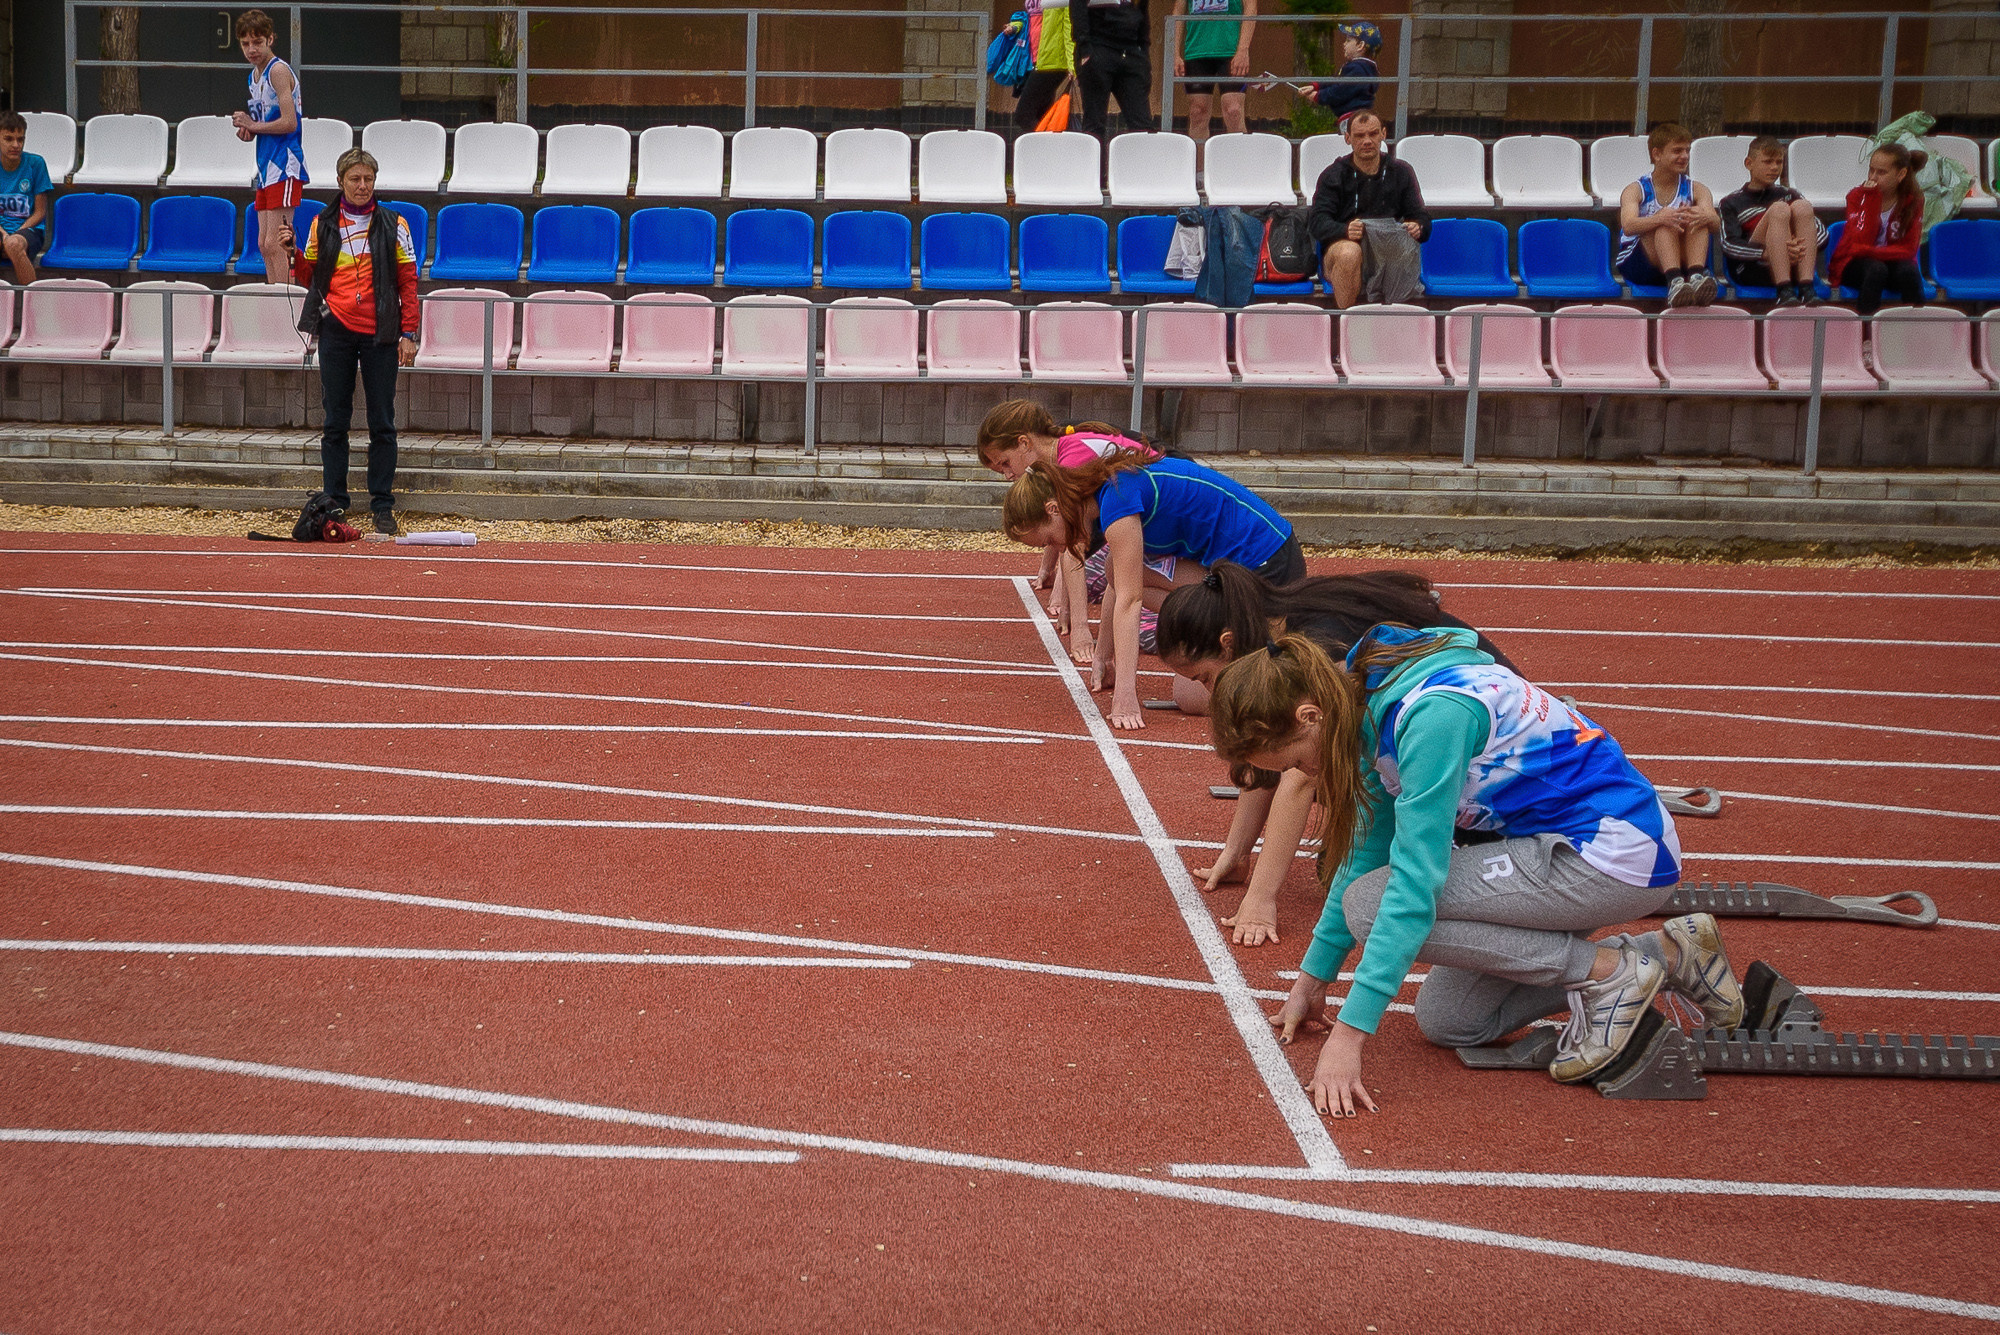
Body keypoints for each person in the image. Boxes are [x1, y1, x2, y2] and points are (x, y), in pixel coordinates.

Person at [1207, 628, 1743, 1115]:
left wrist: (1349, 1036)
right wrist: (1313, 979)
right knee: (1452, 1020)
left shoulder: (1430, 719)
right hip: (1568, 850)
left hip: (1612, 853)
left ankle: (1612, 974)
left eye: (1295, 761)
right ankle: (1669, 955)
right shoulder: (1363, 710)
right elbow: (1366, 851)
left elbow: (1415, 882)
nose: (1304, 775)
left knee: (1371, 906)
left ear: (1309, 716)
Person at [1156, 561, 1516, 946]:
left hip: (1488, 750)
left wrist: (1260, 898)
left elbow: (1297, 778)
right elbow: (1268, 752)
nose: (1210, 692)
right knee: (1340, 861)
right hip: (1452, 731)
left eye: (1205, 678)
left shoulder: (1313, 650)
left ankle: (1470, 847)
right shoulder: (1280, 631)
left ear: (1228, 643)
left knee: (1361, 878)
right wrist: (1237, 851)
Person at [1001, 451, 1302, 730]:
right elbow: (1119, 581)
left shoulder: (1117, 501)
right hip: (1239, 565)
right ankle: (1236, 637)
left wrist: (1125, 695)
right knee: (1115, 570)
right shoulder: (1105, 497)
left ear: (1053, 510)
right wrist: (1103, 656)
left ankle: (1276, 665)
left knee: (1198, 694)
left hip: (1268, 566)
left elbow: (1130, 600)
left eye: (1048, 541)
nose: (1057, 549)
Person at [283, 147, 419, 536]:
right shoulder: (322, 223)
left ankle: (382, 504)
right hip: (336, 330)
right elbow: (311, 278)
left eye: (368, 179)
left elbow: (408, 282)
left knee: (382, 421)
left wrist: (409, 333)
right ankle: (335, 503)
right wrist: (293, 254)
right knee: (335, 421)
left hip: (381, 330)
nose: (362, 186)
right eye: (355, 179)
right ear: (341, 181)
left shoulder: (395, 223)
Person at [976, 400, 1160, 667]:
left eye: (1005, 463)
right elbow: (1061, 531)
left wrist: (1080, 629)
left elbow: (1073, 545)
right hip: (1141, 516)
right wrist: (1056, 584)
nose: (1007, 475)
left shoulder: (1072, 461)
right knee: (1101, 581)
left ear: (1024, 443)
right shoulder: (1058, 453)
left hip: (1161, 517)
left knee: (1142, 628)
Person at [1307, 111, 1430, 309]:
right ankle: (1347, 320)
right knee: (1349, 253)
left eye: (1373, 134)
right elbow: (1317, 223)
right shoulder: (1333, 175)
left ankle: (1393, 320)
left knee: (1401, 249)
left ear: (1383, 134)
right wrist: (1344, 230)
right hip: (1344, 250)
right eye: (1359, 136)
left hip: (1387, 252)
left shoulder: (1401, 171)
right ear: (1348, 138)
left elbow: (1421, 217)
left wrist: (1418, 226)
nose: (1367, 141)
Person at [230, 9, 308, 284]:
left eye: (257, 42)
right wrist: (249, 130)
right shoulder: (254, 77)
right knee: (264, 244)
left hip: (284, 163)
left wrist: (253, 125)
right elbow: (264, 123)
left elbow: (289, 122)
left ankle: (288, 301)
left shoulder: (278, 70)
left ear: (270, 39)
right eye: (245, 43)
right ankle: (274, 295)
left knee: (278, 243)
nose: (251, 49)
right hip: (266, 164)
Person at [1617, 122, 1721, 308]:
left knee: (1697, 220)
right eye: (1677, 151)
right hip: (1642, 264)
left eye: (1687, 150)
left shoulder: (1698, 189)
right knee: (1666, 224)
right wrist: (1659, 218)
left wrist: (1703, 217)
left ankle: (1696, 277)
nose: (1684, 156)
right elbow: (1628, 226)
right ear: (1657, 154)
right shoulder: (1636, 189)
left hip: (1683, 264)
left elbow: (1716, 224)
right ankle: (1675, 282)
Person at [1717, 135, 1825, 307]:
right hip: (1754, 268)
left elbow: (1821, 233)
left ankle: (1807, 288)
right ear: (1749, 164)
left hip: (1795, 265)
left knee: (1803, 206)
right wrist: (1765, 253)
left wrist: (1796, 249)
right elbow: (1728, 244)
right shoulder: (1731, 202)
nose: (1774, 167)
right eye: (1767, 162)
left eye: (1779, 162)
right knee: (1779, 209)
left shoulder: (1791, 194)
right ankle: (1784, 290)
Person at [1828, 142, 1929, 317]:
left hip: (1889, 264)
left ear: (1901, 174)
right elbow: (1860, 242)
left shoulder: (1914, 200)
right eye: (1871, 170)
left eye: (1881, 172)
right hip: (1852, 265)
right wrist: (1871, 199)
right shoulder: (1857, 196)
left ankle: (1915, 327)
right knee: (1876, 270)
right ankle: (1864, 328)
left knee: (1909, 271)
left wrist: (1869, 251)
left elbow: (1909, 250)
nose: (1873, 177)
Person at [1174, 0, 1257, 146]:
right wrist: (1174, 54)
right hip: (1197, 51)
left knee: (1234, 111)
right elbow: (1178, 12)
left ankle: (1240, 159)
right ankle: (1198, 160)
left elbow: (1251, 6)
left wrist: (1243, 49)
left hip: (1231, 50)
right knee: (1197, 112)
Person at [1074, 0, 1157, 138]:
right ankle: (1095, 152)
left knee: (1142, 126)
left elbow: (1142, 10)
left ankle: (1143, 152)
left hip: (1131, 52)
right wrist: (1085, 49)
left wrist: (1143, 50)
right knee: (1094, 126)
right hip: (1098, 46)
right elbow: (1077, 5)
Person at [0, 112, 53, 286]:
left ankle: (32, 299)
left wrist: (14, 234)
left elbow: (40, 212)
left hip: (29, 230)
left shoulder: (36, 164)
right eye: (8, 139)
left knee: (14, 245)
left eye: (20, 139)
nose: (16, 145)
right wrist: (4, 235)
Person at [1309, 19, 1381, 140]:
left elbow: (1341, 90)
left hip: (1351, 118)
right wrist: (1316, 86)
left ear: (1360, 46)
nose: (1344, 44)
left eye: (1348, 40)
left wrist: (1319, 96)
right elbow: (1338, 82)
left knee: (1350, 144)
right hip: (1355, 116)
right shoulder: (1365, 68)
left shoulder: (1357, 69)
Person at [1013, 0, 1076, 132]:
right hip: (1038, 60)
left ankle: (1044, 143)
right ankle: (1047, 142)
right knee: (1041, 114)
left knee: (1023, 115)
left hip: (1052, 61)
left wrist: (1072, 64)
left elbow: (1069, 27)